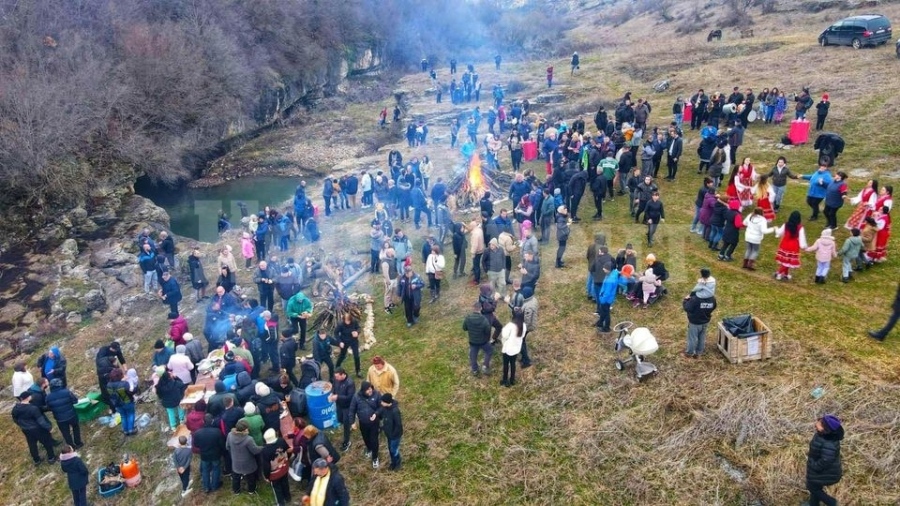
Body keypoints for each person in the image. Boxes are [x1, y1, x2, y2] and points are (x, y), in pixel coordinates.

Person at [805, 414, 844, 506]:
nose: (817, 423)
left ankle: (831, 502)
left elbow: (826, 461)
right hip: (820, 471)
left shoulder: (829, 444)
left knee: (812, 487)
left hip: (825, 473)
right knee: (816, 487)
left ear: (825, 429)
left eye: (820, 423)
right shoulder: (822, 435)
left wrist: (814, 465)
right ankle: (813, 504)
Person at [13, 390, 57, 465]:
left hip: (26, 429)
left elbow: (15, 419)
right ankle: (51, 458)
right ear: (28, 398)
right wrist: (49, 428)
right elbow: (41, 421)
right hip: (37, 429)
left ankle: (36, 460)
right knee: (47, 442)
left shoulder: (15, 408)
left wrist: (22, 425)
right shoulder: (33, 408)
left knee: (32, 445)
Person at [682, 275, 718, 358]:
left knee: (692, 338)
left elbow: (687, 308)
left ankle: (689, 353)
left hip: (695, 322)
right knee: (702, 336)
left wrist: (686, 300)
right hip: (705, 320)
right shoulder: (712, 298)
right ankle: (699, 352)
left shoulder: (696, 299)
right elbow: (714, 307)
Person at [350, 381, 382, 469]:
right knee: (366, 438)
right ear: (363, 390)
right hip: (363, 423)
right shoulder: (356, 397)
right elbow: (352, 409)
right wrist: (352, 422)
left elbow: (381, 407)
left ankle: (375, 458)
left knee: (374, 440)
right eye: (367, 390)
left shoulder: (377, 394)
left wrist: (376, 414)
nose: (370, 391)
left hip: (374, 423)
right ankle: (369, 449)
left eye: (370, 388)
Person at [226, 419, 262, 494]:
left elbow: (227, 446)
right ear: (244, 430)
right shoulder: (248, 439)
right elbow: (255, 451)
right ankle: (251, 490)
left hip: (236, 461)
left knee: (236, 477)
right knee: (250, 477)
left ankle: (236, 491)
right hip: (248, 462)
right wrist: (263, 448)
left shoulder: (230, 435)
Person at [46, 378, 83, 449]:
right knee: (75, 428)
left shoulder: (48, 397)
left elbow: (49, 408)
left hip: (60, 419)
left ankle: (71, 447)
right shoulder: (67, 392)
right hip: (72, 415)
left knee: (66, 433)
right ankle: (78, 443)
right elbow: (75, 401)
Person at [193, 414, 226, 493]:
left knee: (205, 470)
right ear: (212, 421)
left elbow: (196, 444)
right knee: (216, 469)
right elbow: (222, 444)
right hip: (215, 455)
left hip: (204, 455)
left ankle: (206, 487)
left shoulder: (197, 433)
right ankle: (215, 485)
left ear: (203, 421)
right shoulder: (217, 432)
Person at [260, 428, 291, 506]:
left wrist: (267, 476)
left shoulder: (265, 450)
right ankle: (288, 497)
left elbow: (266, 466)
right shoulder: (281, 441)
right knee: (285, 483)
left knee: (277, 488)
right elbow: (288, 450)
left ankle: (281, 503)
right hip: (284, 468)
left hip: (274, 474)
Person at [774, 211, 808, 281]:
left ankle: (785, 274)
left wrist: (776, 229)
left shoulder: (786, 225)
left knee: (786, 260)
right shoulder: (800, 227)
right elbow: (802, 238)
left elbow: (779, 232)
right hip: (794, 246)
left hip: (785, 244)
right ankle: (779, 273)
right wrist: (804, 246)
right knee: (788, 260)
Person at [328, 368, 356, 452]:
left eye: (337, 377)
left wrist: (337, 397)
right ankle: (349, 421)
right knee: (340, 419)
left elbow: (350, 397)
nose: (336, 378)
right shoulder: (336, 379)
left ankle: (347, 441)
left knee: (346, 424)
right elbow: (334, 386)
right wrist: (332, 393)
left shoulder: (350, 383)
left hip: (347, 406)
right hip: (339, 404)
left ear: (343, 374)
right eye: (335, 377)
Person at [374, 393, 404, 470]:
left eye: (383, 402)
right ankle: (393, 462)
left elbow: (398, 425)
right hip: (389, 434)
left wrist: (394, 435)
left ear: (387, 402)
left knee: (394, 449)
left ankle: (398, 463)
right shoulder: (385, 408)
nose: (381, 403)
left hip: (394, 436)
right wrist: (376, 414)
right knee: (390, 449)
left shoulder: (395, 411)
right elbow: (380, 410)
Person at [463, 302, 493, 376]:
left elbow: (464, 328)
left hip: (473, 341)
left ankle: (475, 370)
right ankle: (485, 366)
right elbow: (488, 330)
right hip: (483, 341)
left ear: (473, 308)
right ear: (481, 309)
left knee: (473, 355)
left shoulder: (468, 318)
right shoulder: (484, 319)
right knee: (489, 350)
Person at [96, 341, 126, 413]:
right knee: (108, 391)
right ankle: (113, 408)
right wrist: (112, 369)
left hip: (111, 369)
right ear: (112, 348)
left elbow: (121, 358)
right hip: (104, 373)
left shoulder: (117, 351)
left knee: (117, 387)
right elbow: (101, 364)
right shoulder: (103, 351)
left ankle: (121, 402)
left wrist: (125, 369)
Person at [106, 368, 137, 435]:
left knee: (123, 416)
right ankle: (131, 429)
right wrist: (135, 388)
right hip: (127, 402)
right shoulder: (124, 384)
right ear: (119, 376)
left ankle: (125, 430)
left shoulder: (108, 385)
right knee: (130, 414)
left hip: (117, 404)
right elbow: (130, 392)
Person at [156, 367, 187, 432]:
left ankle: (173, 426)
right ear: (169, 377)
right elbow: (182, 385)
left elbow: (159, 395)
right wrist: (176, 377)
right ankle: (181, 420)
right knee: (180, 408)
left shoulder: (159, 386)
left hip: (167, 403)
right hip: (177, 400)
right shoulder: (174, 383)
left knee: (171, 413)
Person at [500, 313, 526, 387]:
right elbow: (523, 336)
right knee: (513, 364)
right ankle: (512, 380)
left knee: (506, 364)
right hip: (516, 348)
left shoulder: (510, 325)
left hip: (508, 348)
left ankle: (505, 380)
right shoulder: (523, 325)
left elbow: (504, 335)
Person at [335, 313, 362, 378]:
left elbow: (358, 328)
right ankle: (336, 367)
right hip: (344, 341)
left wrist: (357, 332)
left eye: (348, 321)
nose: (347, 322)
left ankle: (358, 371)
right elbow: (336, 333)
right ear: (344, 319)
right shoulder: (341, 324)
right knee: (342, 355)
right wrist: (340, 342)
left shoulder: (354, 321)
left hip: (353, 341)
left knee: (356, 356)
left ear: (350, 319)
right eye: (346, 321)